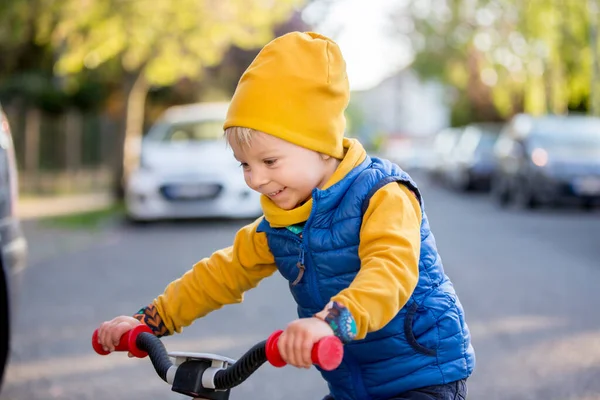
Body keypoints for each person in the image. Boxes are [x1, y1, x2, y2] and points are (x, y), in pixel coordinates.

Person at [96, 31, 475, 400]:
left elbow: (390, 272)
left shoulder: (383, 195)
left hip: (423, 375)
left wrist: (329, 322)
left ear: (321, 146)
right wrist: (149, 321)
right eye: (244, 164)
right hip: (350, 383)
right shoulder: (281, 221)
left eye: (270, 161)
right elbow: (220, 274)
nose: (256, 179)